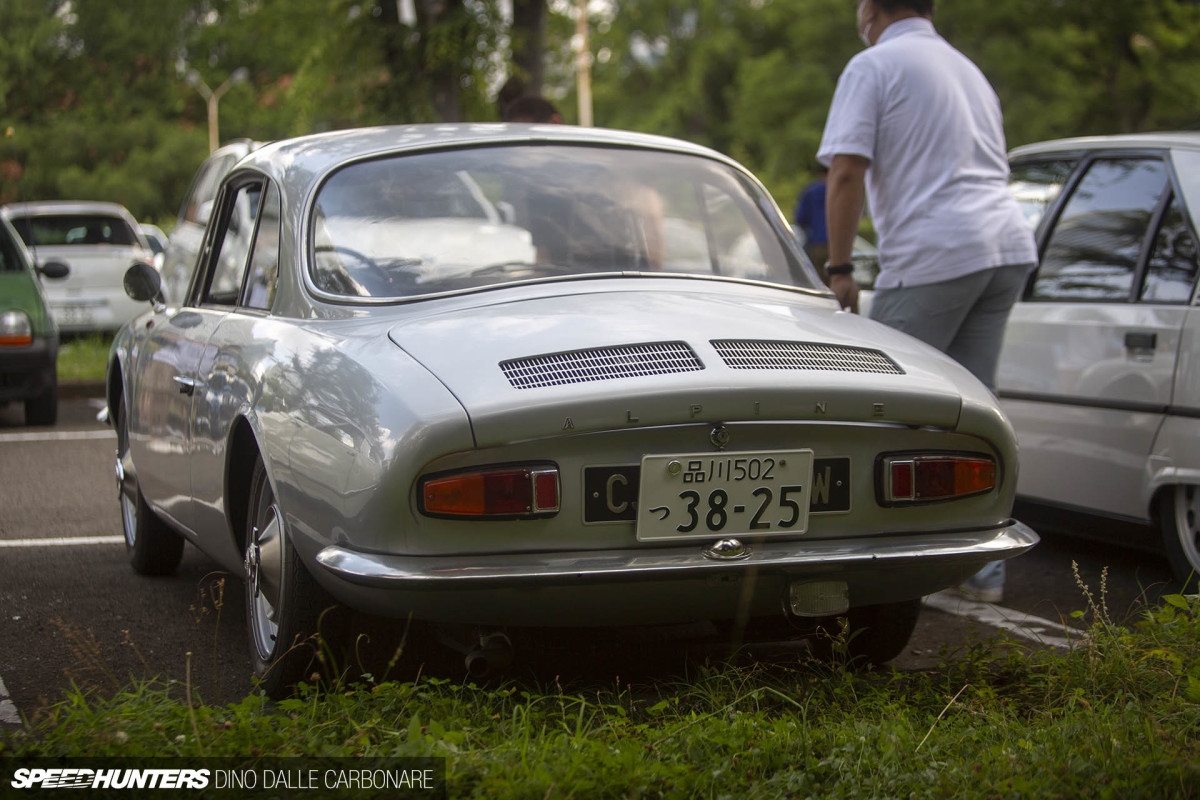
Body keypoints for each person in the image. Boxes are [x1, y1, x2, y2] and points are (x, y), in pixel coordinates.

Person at [817, 0, 1037, 603]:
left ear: (871, 8)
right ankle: (978, 575)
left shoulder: (875, 65)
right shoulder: (965, 69)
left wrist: (839, 267)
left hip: (936, 255)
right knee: (974, 415)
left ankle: (868, 576)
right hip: (1005, 247)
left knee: (876, 410)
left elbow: (845, 172)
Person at [793, 165, 830, 280]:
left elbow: (800, 218)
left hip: (816, 244)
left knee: (817, 280)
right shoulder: (840, 191)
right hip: (838, 247)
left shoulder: (810, 192)